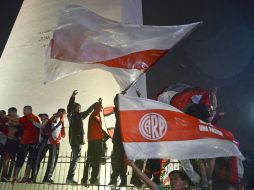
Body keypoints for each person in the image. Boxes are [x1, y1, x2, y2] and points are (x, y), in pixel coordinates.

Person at [66, 90, 97, 184]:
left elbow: (87, 112)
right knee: (76, 158)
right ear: (74, 108)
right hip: (75, 140)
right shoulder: (71, 115)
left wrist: (94, 105)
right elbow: (70, 108)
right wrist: (72, 97)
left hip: (78, 140)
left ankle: (70, 178)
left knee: (76, 158)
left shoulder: (79, 116)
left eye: (80, 107)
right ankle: (69, 178)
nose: (79, 109)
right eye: (77, 107)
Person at [4, 105, 40, 184]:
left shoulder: (27, 117)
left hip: (25, 142)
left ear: (29, 110)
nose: (23, 112)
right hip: (34, 142)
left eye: (24, 110)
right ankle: (25, 177)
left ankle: (15, 178)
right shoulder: (36, 118)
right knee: (30, 160)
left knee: (20, 160)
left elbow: (17, 120)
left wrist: (6, 116)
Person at [31, 109, 66, 183]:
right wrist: (55, 138)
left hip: (46, 140)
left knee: (38, 158)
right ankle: (47, 178)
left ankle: (33, 177)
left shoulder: (52, 118)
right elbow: (55, 127)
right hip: (53, 141)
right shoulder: (57, 117)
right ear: (62, 113)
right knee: (52, 160)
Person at [81, 99, 107, 186]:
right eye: (101, 107)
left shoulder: (94, 115)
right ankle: (93, 180)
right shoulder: (95, 115)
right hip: (96, 141)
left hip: (92, 140)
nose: (102, 109)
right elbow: (96, 110)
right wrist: (99, 103)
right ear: (97, 108)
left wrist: (99, 104)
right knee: (96, 161)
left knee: (89, 160)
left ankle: (85, 179)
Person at [108, 94, 127, 187]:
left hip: (122, 140)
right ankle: (117, 179)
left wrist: (122, 97)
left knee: (119, 161)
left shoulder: (124, 112)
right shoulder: (118, 111)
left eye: (117, 102)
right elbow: (116, 108)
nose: (116, 104)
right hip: (118, 140)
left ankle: (119, 179)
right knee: (116, 160)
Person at [1, 107, 23, 182]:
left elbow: (18, 123)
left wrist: (7, 118)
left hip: (16, 142)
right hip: (8, 141)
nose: (9, 114)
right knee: (6, 158)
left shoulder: (19, 119)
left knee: (12, 159)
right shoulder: (8, 119)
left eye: (10, 112)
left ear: (14, 112)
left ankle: (10, 176)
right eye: (8, 112)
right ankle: (4, 175)